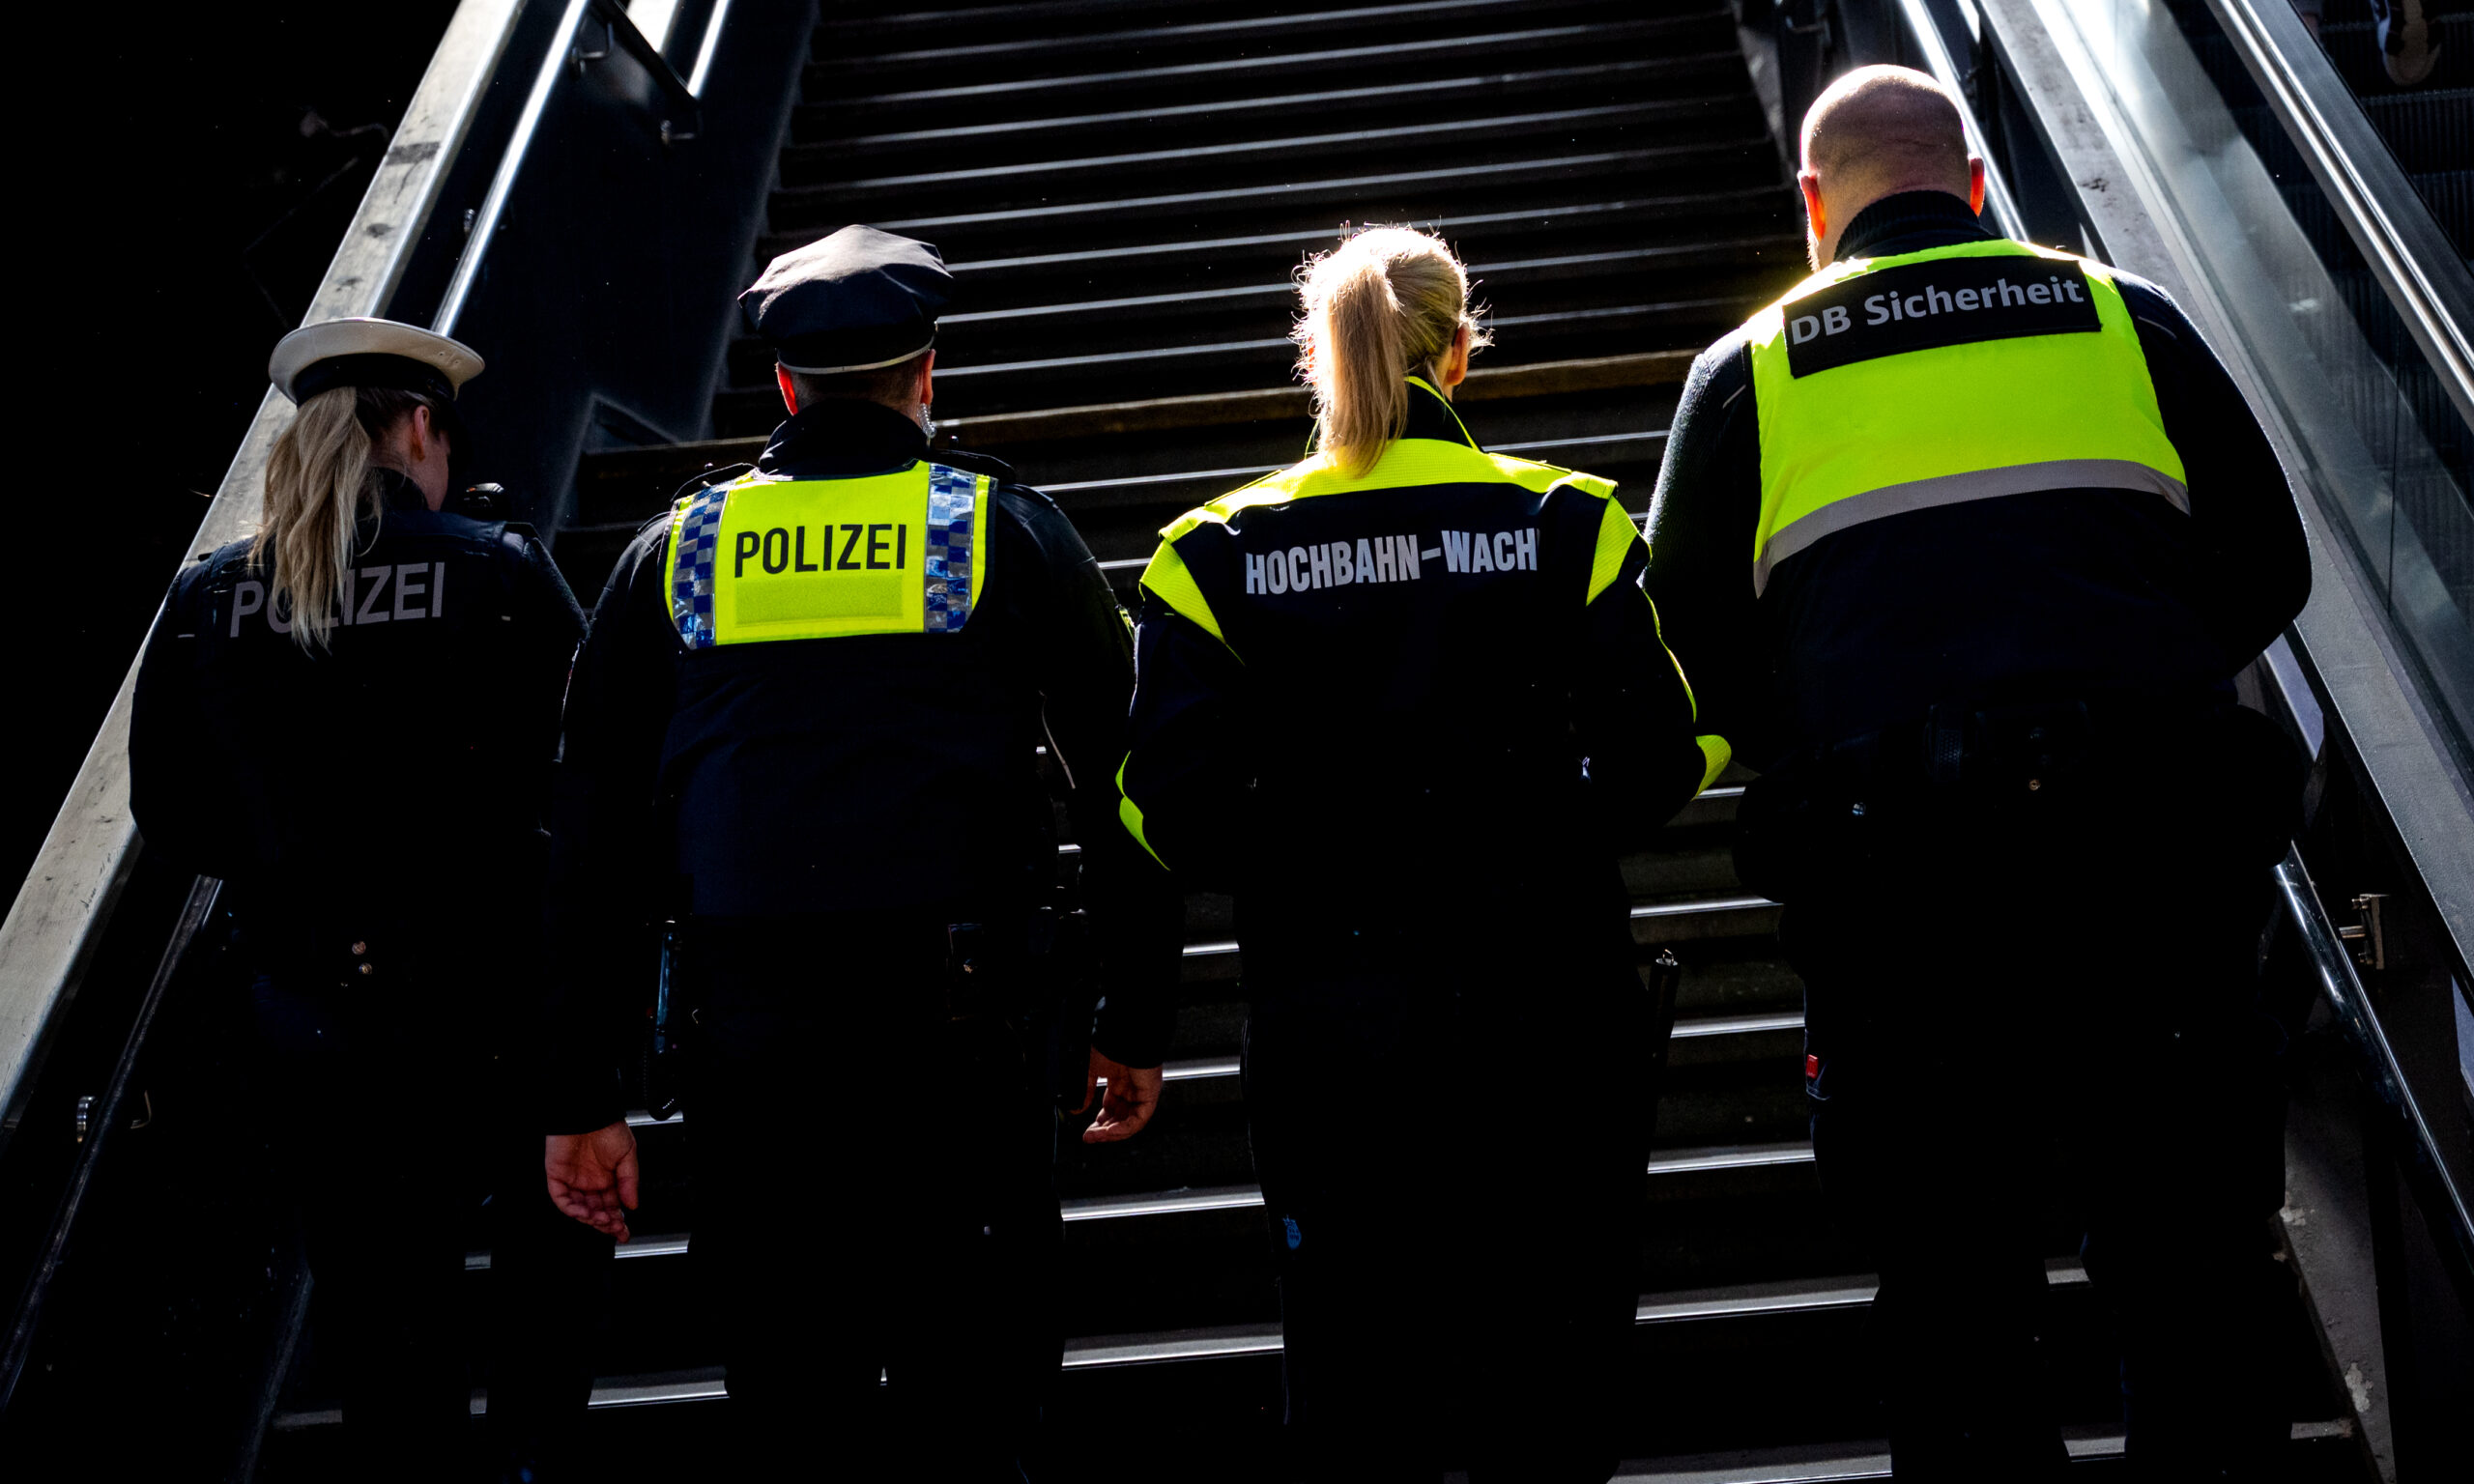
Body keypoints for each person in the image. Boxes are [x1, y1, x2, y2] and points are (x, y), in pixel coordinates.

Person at [1644, 67, 2312, 1479]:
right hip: (2154, 872)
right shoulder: (2129, 313)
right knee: (2193, 1273)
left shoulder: (1746, 373)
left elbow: (1683, 646)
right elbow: (2272, 564)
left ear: (1814, 204)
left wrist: (1838, 739)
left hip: (1901, 899)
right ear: (1979, 180)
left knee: (1954, 1304)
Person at [537, 224, 1183, 1479]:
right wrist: (1135, 1013)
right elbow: (1130, 785)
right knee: (979, 1399)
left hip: (754, 1063)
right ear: (925, 374)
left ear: (784, 386)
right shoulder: (1007, 535)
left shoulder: (671, 558)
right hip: (964, 1056)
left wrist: (578, 1092)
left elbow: (590, 838)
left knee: (796, 1405)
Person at [1117, 226, 1721, 1482]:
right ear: (1463, 351)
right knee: (1547, 1373)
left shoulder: (1208, 559)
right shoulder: (1569, 525)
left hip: (1329, 1021)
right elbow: (1672, 754)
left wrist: (1315, 854)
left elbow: (1162, 808)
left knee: (1350, 1375)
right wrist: (1537, 824)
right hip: (1546, 1001)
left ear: (1316, 360)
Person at [129, 318, 602, 1483]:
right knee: (549, 1268)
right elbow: (596, 780)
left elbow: (170, 815)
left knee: (383, 1311)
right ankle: (536, 1470)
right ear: (425, 427)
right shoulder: (493, 569)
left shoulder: (206, 603)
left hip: (314, 1012)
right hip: (500, 997)